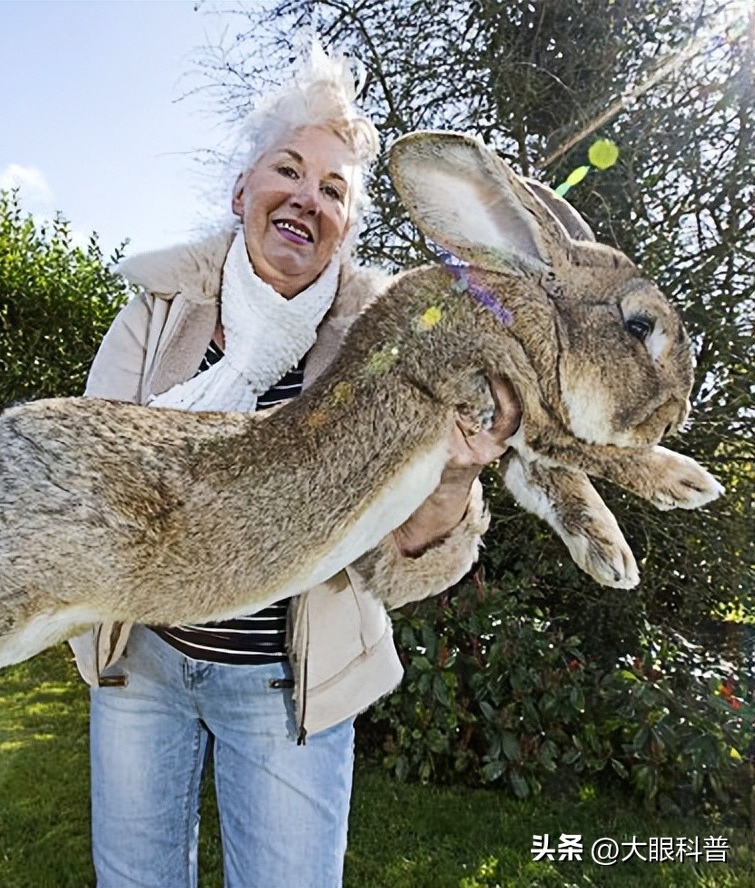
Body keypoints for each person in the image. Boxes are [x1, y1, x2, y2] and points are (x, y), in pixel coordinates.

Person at [68, 42, 520, 888]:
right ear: (242, 191)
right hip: (147, 665)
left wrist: (455, 475)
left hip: (288, 683)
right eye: (290, 170)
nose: (307, 199)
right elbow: (94, 483)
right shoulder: (157, 314)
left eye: (335, 190)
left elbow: (396, 563)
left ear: (347, 228)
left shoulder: (389, 346)